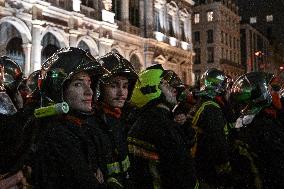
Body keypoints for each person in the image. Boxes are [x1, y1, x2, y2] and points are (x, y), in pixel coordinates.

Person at [32, 47, 107, 189]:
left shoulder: (81, 126)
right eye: (78, 84)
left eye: (89, 83)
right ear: (59, 89)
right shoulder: (57, 136)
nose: (89, 91)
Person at [128, 64, 198, 189]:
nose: (174, 90)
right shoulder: (157, 124)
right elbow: (179, 171)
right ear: (151, 89)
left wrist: (185, 125)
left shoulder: (163, 119)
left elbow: (187, 144)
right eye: (165, 85)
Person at [87, 50, 138, 189]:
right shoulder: (90, 123)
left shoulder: (126, 118)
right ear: (99, 88)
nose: (121, 93)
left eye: (125, 86)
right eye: (113, 85)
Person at [229, 72, 284, 189]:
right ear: (261, 94)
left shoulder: (244, 121)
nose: (274, 92)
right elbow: (277, 166)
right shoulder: (265, 126)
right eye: (269, 88)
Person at [191, 68, 232, 188]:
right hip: (209, 166)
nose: (227, 89)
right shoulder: (211, 108)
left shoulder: (203, 102)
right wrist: (225, 167)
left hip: (200, 163)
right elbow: (217, 141)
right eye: (225, 85)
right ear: (218, 86)